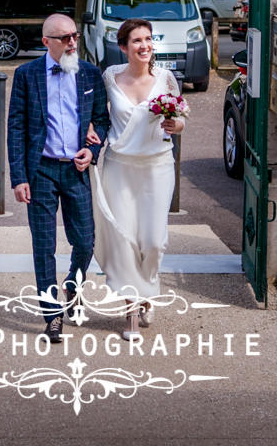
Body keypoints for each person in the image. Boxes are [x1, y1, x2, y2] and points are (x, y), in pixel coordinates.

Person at [8, 14, 110, 343]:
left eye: (74, 36)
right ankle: (51, 315)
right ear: (46, 42)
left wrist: (92, 151)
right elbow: (16, 129)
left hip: (76, 169)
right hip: (40, 171)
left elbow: (102, 120)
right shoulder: (26, 75)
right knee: (44, 247)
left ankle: (72, 285)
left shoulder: (90, 74)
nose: (71, 43)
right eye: (64, 38)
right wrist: (18, 176)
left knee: (84, 242)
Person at [88, 18, 185, 340]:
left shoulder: (167, 78)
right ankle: (131, 313)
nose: (144, 46)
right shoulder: (110, 77)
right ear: (123, 47)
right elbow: (96, 114)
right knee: (125, 238)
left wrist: (176, 126)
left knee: (154, 241)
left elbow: (180, 118)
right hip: (119, 166)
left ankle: (147, 290)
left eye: (148, 39)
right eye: (137, 41)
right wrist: (89, 131)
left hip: (157, 167)